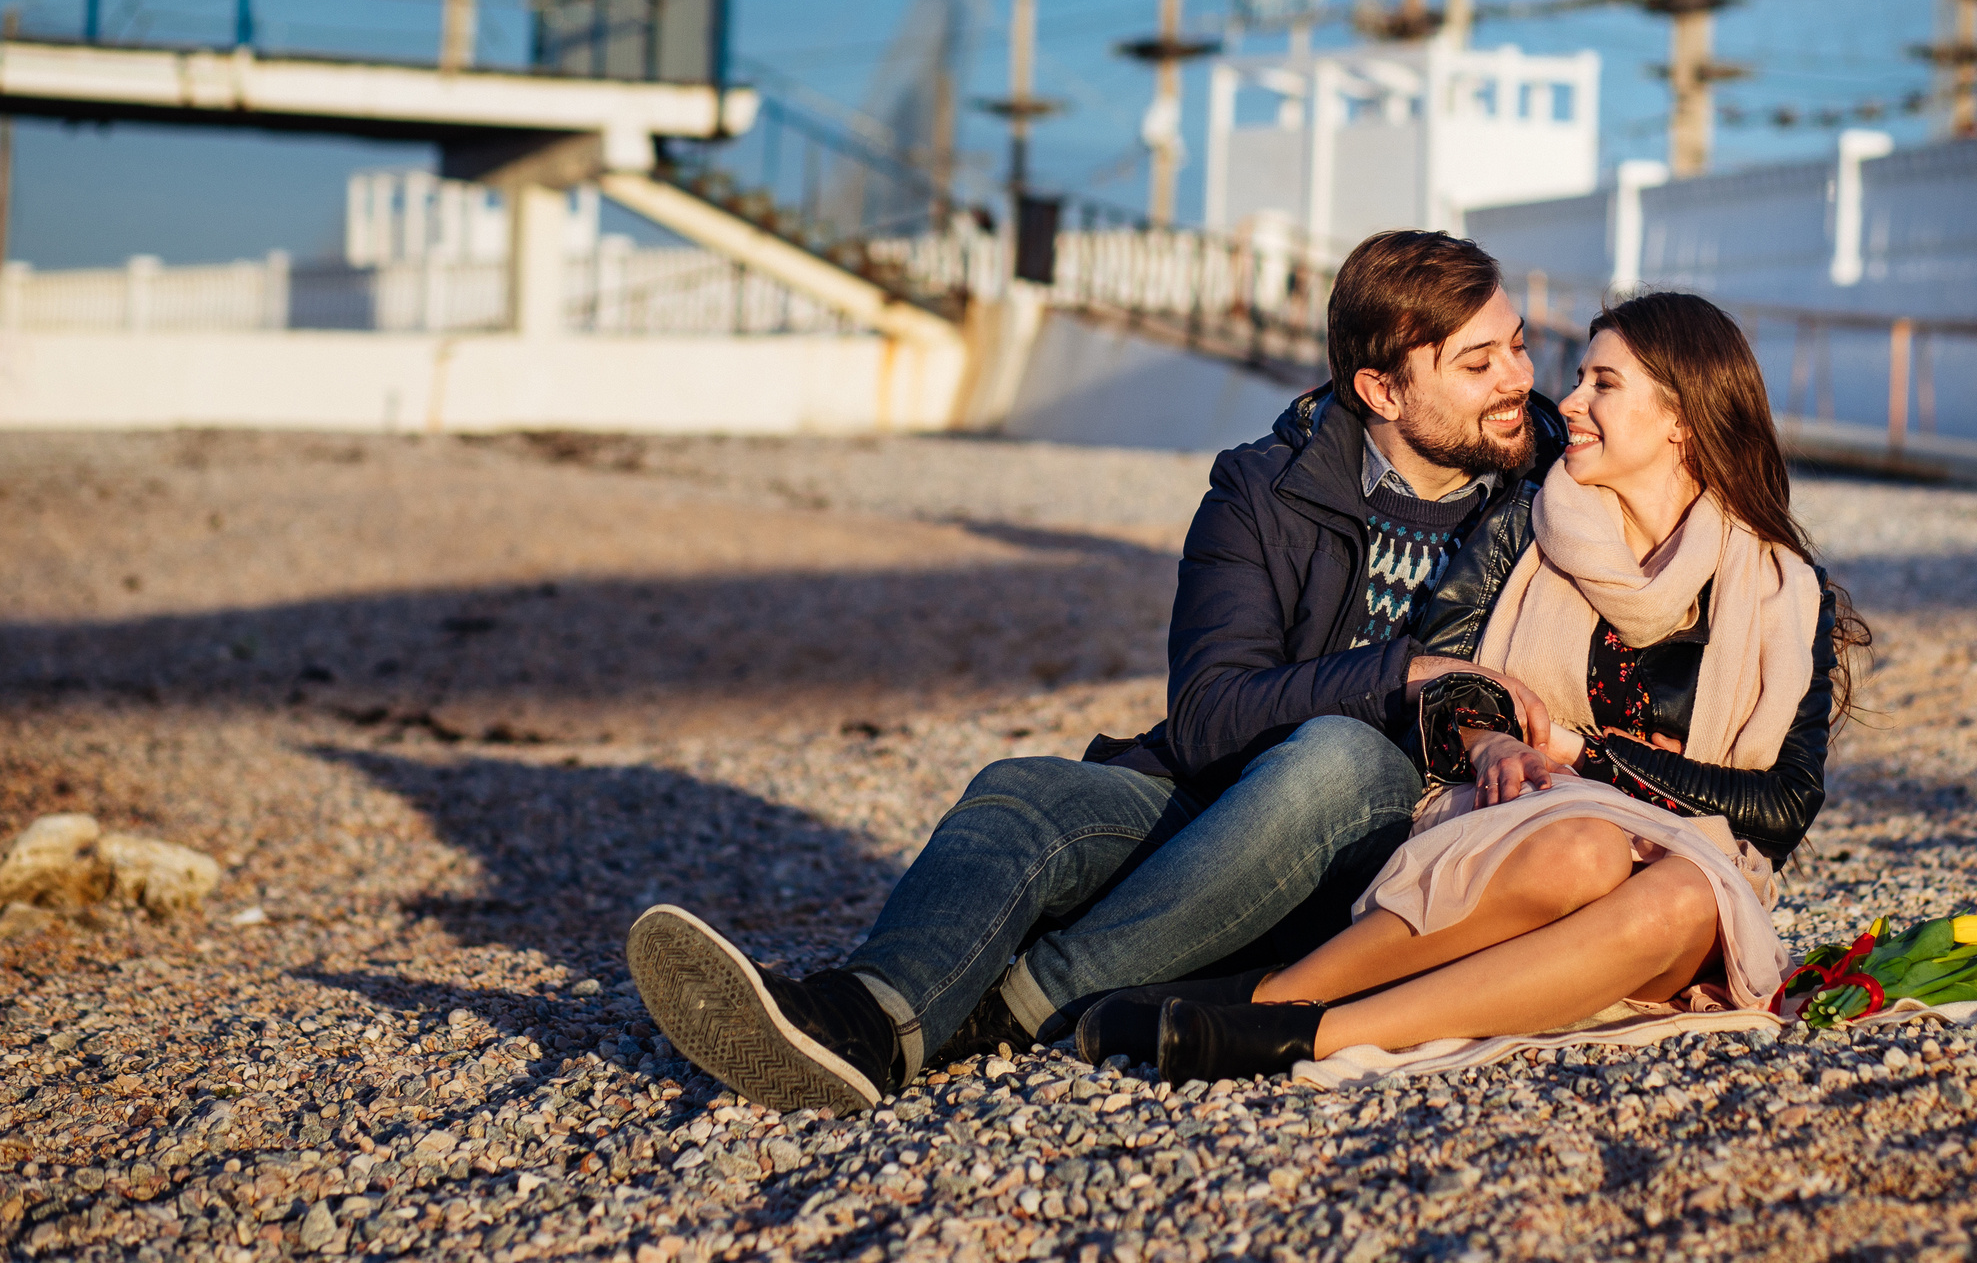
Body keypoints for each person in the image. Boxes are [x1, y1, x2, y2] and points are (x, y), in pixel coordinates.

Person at [625, 230, 1568, 1113]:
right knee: (1024, 793)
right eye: (1479, 363)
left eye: (1518, 345)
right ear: (1381, 390)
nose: (1520, 379)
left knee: (1339, 758)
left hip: (1387, 835)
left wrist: (1429, 696)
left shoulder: (1554, 493)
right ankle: (868, 1019)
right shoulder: (1262, 490)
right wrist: (1403, 669)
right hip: (1225, 796)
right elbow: (1209, 713)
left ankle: (1020, 1004)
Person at [1112, 290, 1870, 1082]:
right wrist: (1496, 737)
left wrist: (1587, 755)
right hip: (1522, 831)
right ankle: (1274, 1012)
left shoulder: (1784, 593)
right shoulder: (1526, 524)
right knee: (1584, 847)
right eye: (1578, 377)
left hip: (1687, 870)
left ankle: (1284, 1017)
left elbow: (1782, 807)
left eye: (1603, 383)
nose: (1567, 401)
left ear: (1681, 417)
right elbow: (1450, 675)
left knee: (1686, 895)